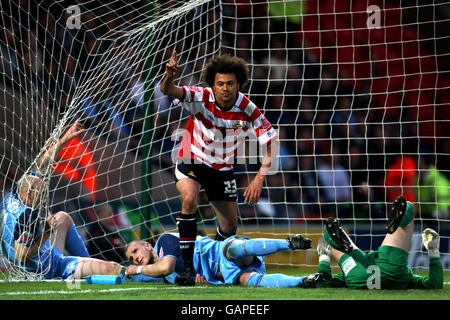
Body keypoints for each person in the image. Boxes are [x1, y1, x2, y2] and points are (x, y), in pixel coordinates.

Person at [160, 51, 278, 285]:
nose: (225, 88)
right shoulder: (200, 97)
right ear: (213, 85)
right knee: (189, 200)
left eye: (230, 83)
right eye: (220, 83)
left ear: (239, 84)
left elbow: (271, 143)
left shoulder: (248, 108)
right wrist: (169, 78)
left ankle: (213, 267)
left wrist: (258, 178)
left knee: (229, 226)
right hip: (191, 159)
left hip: (221, 168)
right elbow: (169, 91)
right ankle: (186, 269)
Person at [0, 119, 123, 280]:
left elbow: (43, 163)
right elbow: (20, 255)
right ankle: (139, 274)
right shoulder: (28, 216)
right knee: (111, 268)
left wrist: (65, 139)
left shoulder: (14, 195)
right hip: (48, 268)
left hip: (45, 256)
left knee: (62, 218)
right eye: (42, 194)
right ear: (29, 194)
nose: (44, 198)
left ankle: (87, 265)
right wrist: (46, 232)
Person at [315, 195, 444, 289]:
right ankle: (401, 218)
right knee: (408, 206)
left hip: (359, 275)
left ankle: (336, 240)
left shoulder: (342, 279)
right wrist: (433, 252)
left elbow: (323, 281)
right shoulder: (410, 278)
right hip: (391, 272)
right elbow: (435, 284)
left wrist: (323, 258)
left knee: (329, 233)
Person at [124, 232, 323, 288]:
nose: (135, 258)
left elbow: (166, 266)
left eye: (135, 251)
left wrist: (136, 270)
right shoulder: (164, 277)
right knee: (246, 280)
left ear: (148, 246)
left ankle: (289, 243)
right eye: (131, 258)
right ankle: (304, 281)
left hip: (220, 251)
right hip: (225, 275)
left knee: (235, 250)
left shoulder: (164, 241)